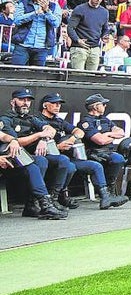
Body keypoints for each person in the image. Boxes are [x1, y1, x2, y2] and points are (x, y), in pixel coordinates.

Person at [39, 93, 127, 209]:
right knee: (68, 165)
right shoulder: (38, 120)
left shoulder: (59, 120)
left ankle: (106, 197)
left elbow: (79, 132)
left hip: (67, 156)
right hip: (49, 156)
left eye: (59, 104)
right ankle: (55, 199)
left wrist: (72, 138)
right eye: (54, 103)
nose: (58, 106)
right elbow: (99, 140)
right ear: (45, 105)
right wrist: (58, 146)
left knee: (95, 166)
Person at [0, 88, 71, 218]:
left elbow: (50, 130)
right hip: (12, 159)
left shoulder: (31, 118)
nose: (25, 103)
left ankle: (44, 202)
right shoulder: (6, 119)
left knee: (62, 160)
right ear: (12, 102)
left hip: (28, 156)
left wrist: (43, 139)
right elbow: (16, 141)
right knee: (37, 163)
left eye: (28, 100)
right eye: (22, 100)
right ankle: (44, 204)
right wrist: (38, 135)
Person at [78, 93, 131, 201]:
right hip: (96, 154)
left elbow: (121, 132)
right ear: (95, 107)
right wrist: (110, 136)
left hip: (110, 152)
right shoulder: (85, 122)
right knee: (117, 158)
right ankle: (109, 191)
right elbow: (100, 141)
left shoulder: (105, 119)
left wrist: (108, 135)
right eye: (103, 104)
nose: (105, 106)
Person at [10, 0, 62, 66]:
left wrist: (47, 11)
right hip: (22, 46)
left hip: (42, 48)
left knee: (37, 75)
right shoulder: (23, 3)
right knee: (17, 72)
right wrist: (34, 13)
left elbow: (56, 23)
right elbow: (16, 20)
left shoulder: (55, 6)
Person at [66, 0, 108, 71]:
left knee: (91, 77)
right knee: (79, 75)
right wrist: (77, 40)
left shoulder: (104, 12)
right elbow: (70, 27)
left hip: (95, 47)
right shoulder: (80, 9)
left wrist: (105, 36)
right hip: (79, 47)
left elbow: (105, 28)